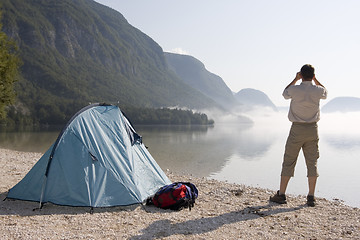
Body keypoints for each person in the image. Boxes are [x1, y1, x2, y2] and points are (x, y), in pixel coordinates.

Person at [270, 64, 327, 207]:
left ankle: (281, 194)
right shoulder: (318, 90)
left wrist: (295, 79)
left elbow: (284, 93)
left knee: (289, 160)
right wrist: (316, 80)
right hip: (312, 129)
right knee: (312, 162)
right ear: (313, 76)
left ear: (300, 74)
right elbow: (325, 92)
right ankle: (311, 197)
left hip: (297, 129)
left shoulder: (294, 89)